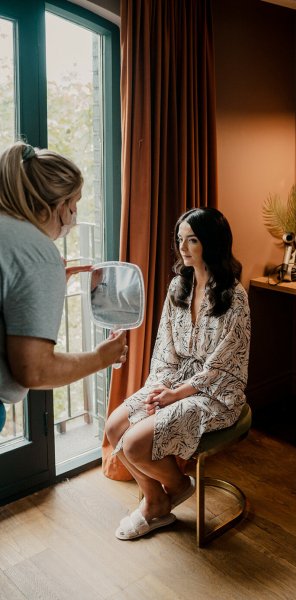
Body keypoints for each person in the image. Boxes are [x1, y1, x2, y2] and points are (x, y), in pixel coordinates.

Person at [105, 207, 250, 540]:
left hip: (216, 392)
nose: (183, 247)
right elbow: (164, 350)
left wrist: (178, 394)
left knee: (133, 444)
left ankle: (178, 484)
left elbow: (221, 365)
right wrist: (159, 390)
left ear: (211, 243)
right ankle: (156, 501)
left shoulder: (235, 297)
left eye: (193, 240)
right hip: (174, 379)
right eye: (180, 239)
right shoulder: (177, 288)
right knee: (115, 427)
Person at [0, 141, 128, 413]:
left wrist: (43, 286)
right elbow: (35, 371)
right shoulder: (37, 251)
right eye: (75, 204)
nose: (74, 216)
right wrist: (101, 357)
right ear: (59, 205)